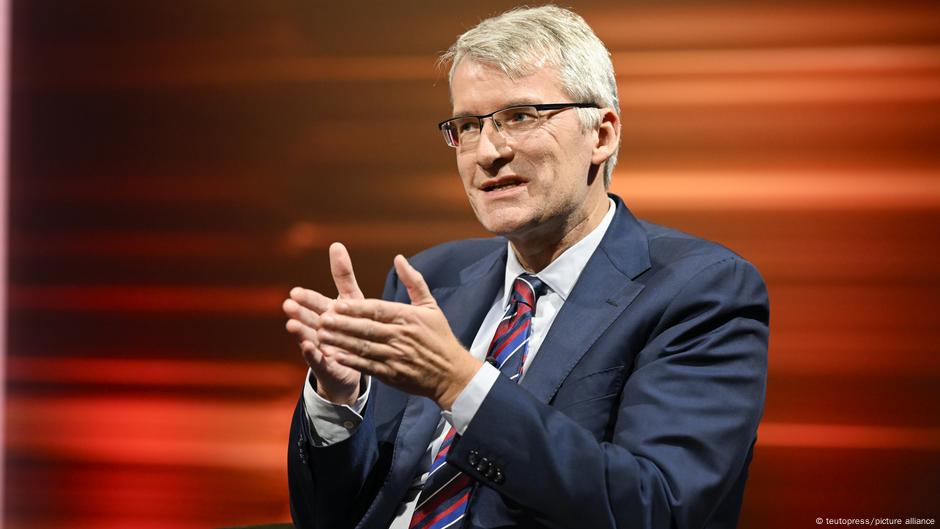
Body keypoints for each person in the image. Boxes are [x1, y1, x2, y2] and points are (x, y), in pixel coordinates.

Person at [281, 6, 769, 529]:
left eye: (520, 117)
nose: (487, 152)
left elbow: (657, 507)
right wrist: (339, 401)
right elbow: (330, 516)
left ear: (601, 135)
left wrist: (458, 383)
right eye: (468, 126)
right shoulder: (432, 278)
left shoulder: (701, 290)